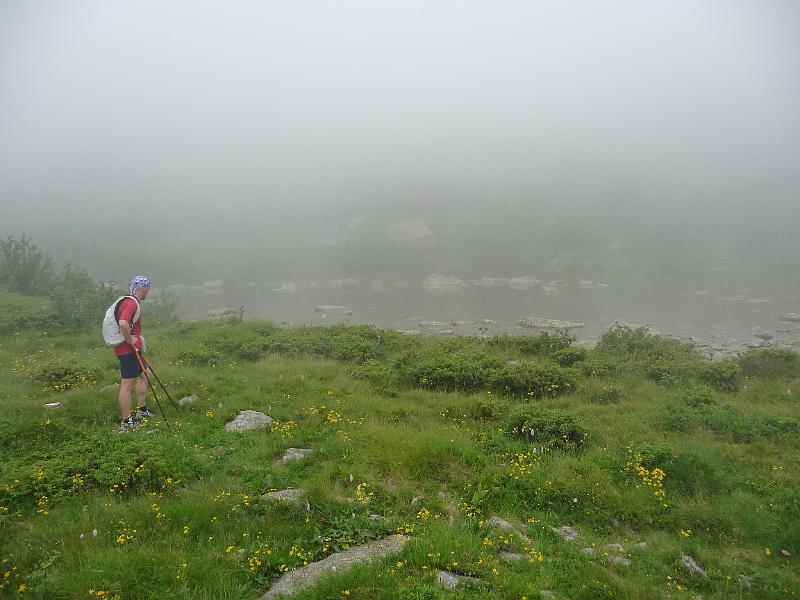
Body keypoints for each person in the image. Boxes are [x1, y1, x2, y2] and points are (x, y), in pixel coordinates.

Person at [115, 275, 154, 432]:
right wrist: (129, 338)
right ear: (142, 289)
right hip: (127, 351)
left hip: (134, 350)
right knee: (126, 385)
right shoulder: (130, 303)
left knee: (146, 375)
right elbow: (123, 323)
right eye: (147, 290)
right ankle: (126, 421)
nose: (147, 293)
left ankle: (141, 411)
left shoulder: (131, 302)